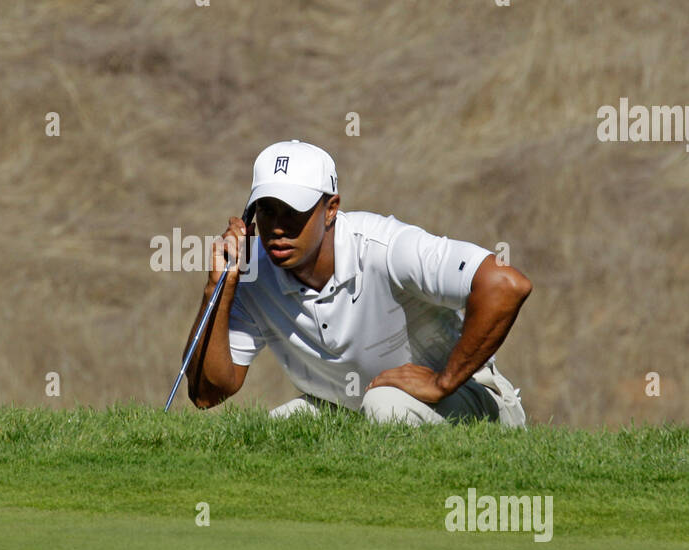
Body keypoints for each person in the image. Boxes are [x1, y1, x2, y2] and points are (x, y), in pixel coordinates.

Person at [182, 140, 531, 426]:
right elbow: (207, 394)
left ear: (331, 208)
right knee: (267, 435)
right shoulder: (251, 271)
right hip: (346, 408)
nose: (277, 227)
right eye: (267, 210)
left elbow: (505, 284)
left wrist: (443, 382)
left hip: (472, 400)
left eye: (294, 212)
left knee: (385, 405)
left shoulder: (386, 247)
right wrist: (218, 289)